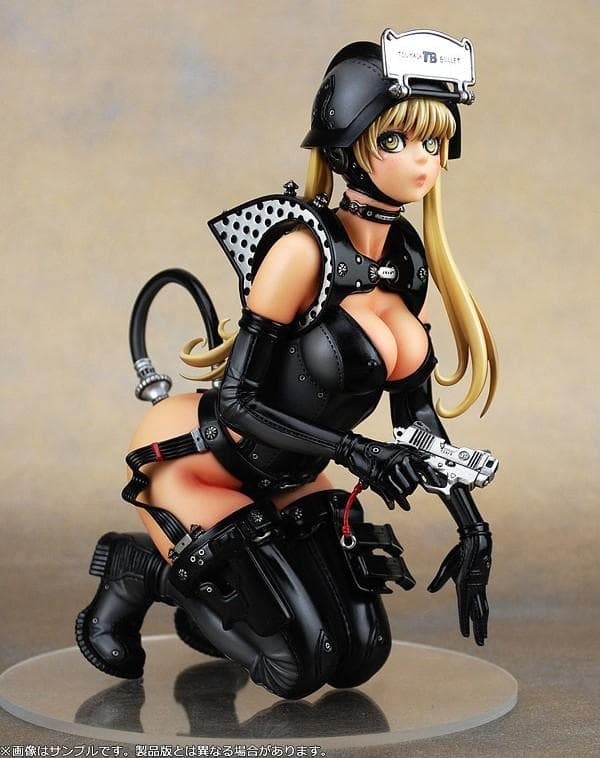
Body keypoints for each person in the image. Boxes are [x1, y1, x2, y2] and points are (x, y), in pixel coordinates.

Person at [76, 29, 497, 700]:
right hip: (204, 461)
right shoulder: (303, 250)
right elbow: (238, 403)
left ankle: (226, 599)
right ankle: (143, 569)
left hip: (294, 472)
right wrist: (356, 451)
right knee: (298, 670)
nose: (423, 160)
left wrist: (471, 525)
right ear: (348, 145)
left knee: (360, 655)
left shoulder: (407, 262)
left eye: (435, 141)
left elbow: (416, 419)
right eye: (396, 139)